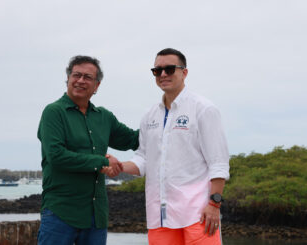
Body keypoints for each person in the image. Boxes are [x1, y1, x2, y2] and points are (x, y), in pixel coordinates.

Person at [121, 48, 230, 245]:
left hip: (198, 214)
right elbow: (144, 159)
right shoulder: (149, 115)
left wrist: (214, 204)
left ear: (184, 72)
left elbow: (218, 162)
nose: (163, 74)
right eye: (157, 70)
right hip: (159, 217)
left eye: (169, 69)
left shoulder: (204, 109)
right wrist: (119, 166)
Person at [37, 55, 138, 245]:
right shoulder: (53, 112)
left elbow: (133, 139)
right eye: (77, 75)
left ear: (97, 85)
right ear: (68, 79)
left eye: (88, 77)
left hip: (95, 215)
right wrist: (103, 161)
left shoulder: (104, 117)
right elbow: (57, 156)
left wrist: (167, 121)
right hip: (60, 213)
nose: (81, 81)